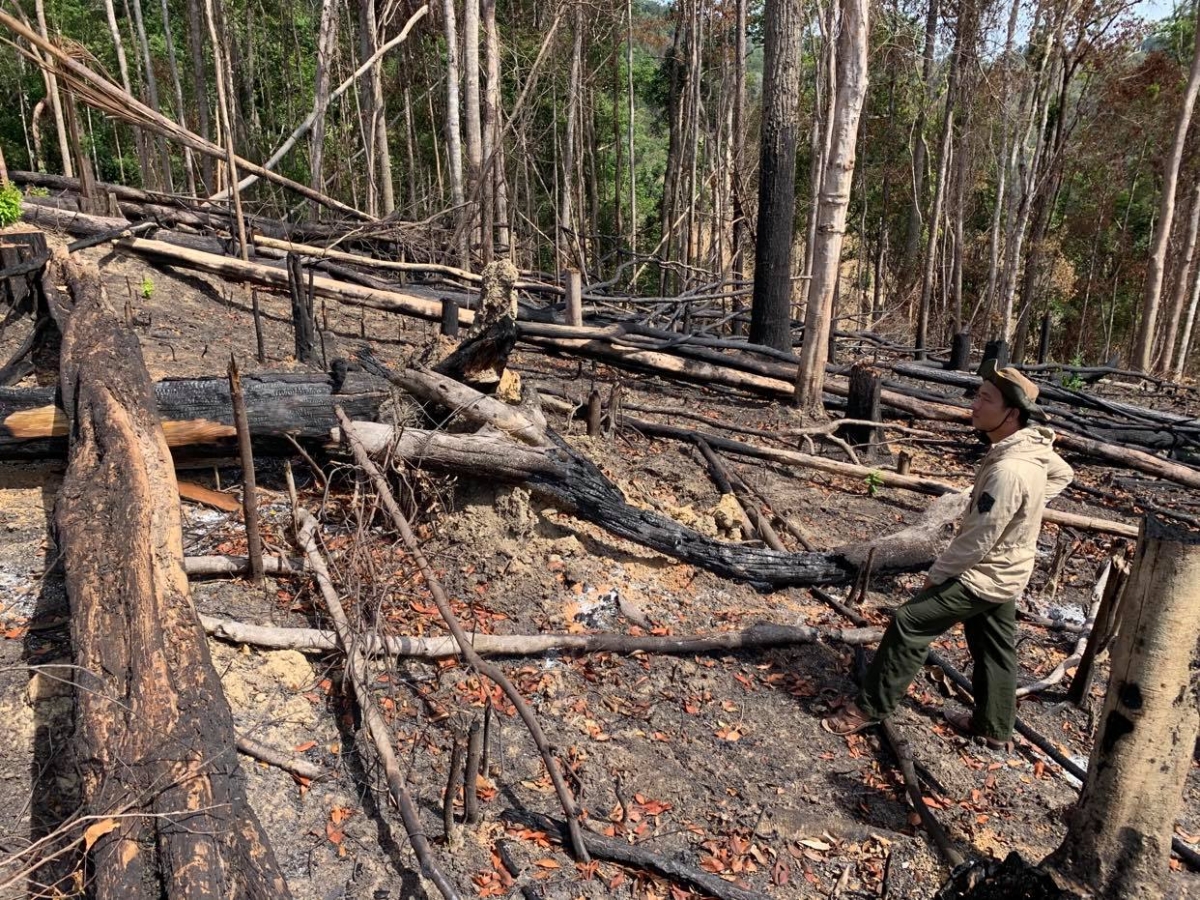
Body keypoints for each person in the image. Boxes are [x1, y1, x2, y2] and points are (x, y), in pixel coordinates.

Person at [821, 360, 1074, 749]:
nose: (974, 405)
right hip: (1010, 569)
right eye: (977, 395)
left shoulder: (1010, 470)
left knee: (909, 622)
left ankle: (870, 707)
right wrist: (1028, 508)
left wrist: (937, 575)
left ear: (1012, 413)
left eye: (985, 399)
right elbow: (1062, 475)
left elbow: (977, 540)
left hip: (985, 574)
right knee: (994, 646)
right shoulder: (1030, 448)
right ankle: (993, 728)